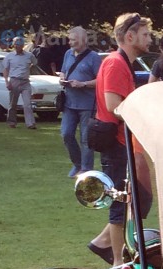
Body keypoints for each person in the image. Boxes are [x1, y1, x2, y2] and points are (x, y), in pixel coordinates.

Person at [88, 12, 154, 267]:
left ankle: (104, 243)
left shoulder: (123, 62)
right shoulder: (116, 63)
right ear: (130, 36)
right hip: (117, 142)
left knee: (137, 198)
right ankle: (118, 264)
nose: (150, 39)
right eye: (145, 34)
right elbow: (113, 104)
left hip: (125, 141)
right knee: (121, 201)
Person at [58, 26, 101, 177]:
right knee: (66, 134)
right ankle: (77, 164)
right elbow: (63, 70)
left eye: (73, 40)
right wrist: (63, 78)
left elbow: (101, 81)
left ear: (83, 40)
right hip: (69, 102)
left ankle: (86, 169)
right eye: (69, 40)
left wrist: (83, 84)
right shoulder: (68, 54)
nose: (70, 43)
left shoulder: (94, 57)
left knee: (85, 138)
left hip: (87, 104)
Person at [3, 36, 36, 129]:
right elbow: (5, 70)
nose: (17, 47)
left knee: (27, 103)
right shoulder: (9, 56)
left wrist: (27, 68)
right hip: (14, 80)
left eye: (19, 45)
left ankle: (30, 124)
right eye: (15, 45)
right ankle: (12, 122)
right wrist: (7, 82)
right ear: (13, 46)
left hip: (25, 82)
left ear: (22, 46)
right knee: (13, 103)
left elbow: (34, 63)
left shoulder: (29, 55)